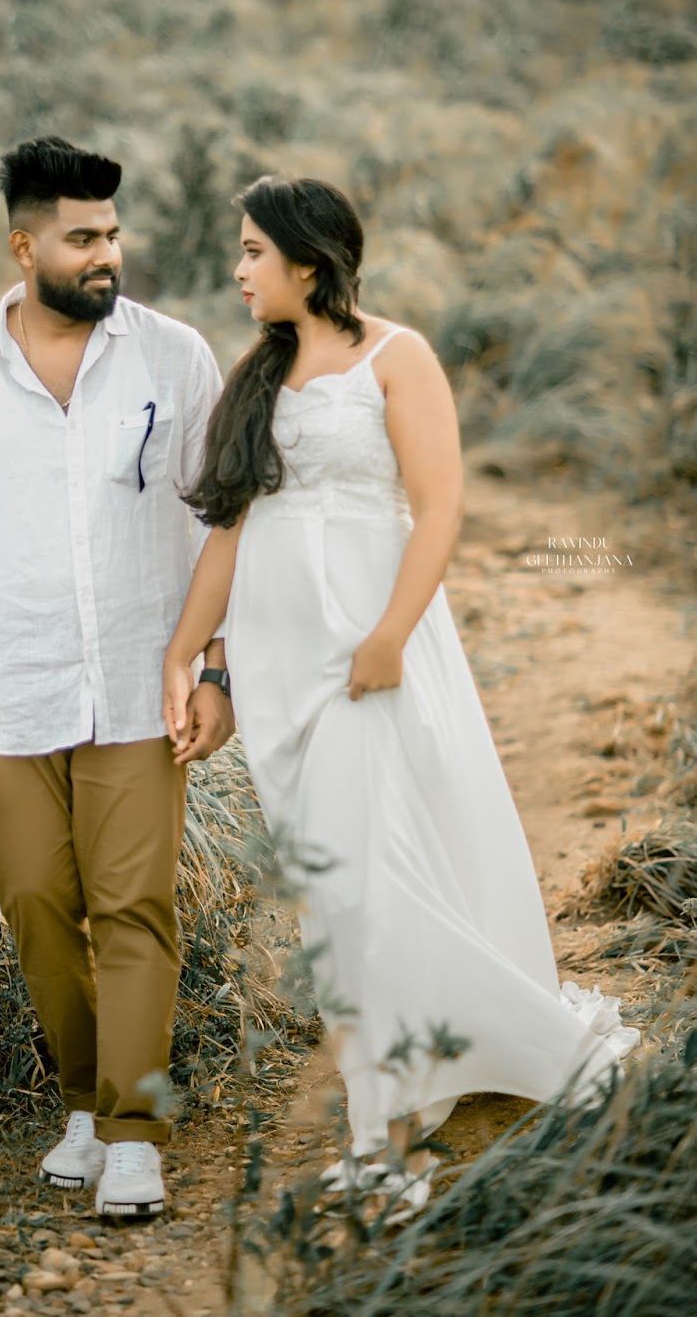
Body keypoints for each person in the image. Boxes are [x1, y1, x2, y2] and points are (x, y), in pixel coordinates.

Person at [162, 173, 640, 1224]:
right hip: (280, 663)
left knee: (373, 876)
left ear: (306, 259)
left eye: (251, 252)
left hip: (366, 649)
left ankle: (387, 1137)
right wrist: (198, 660)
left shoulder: (397, 355)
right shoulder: (258, 376)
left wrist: (386, 635)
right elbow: (228, 535)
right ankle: (413, 1077)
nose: (237, 271)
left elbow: (439, 506)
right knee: (337, 888)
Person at [0, 135, 235, 1220]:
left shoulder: (174, 357)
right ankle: (86, 1102)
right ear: (24, 241)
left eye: (113, 234)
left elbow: (222, 524)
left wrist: (218, 666)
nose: (106, 255)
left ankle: (134, 1132)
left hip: (146, 684)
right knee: (38, 903)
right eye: (83, 237)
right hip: (9, 688)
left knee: (132, 905)